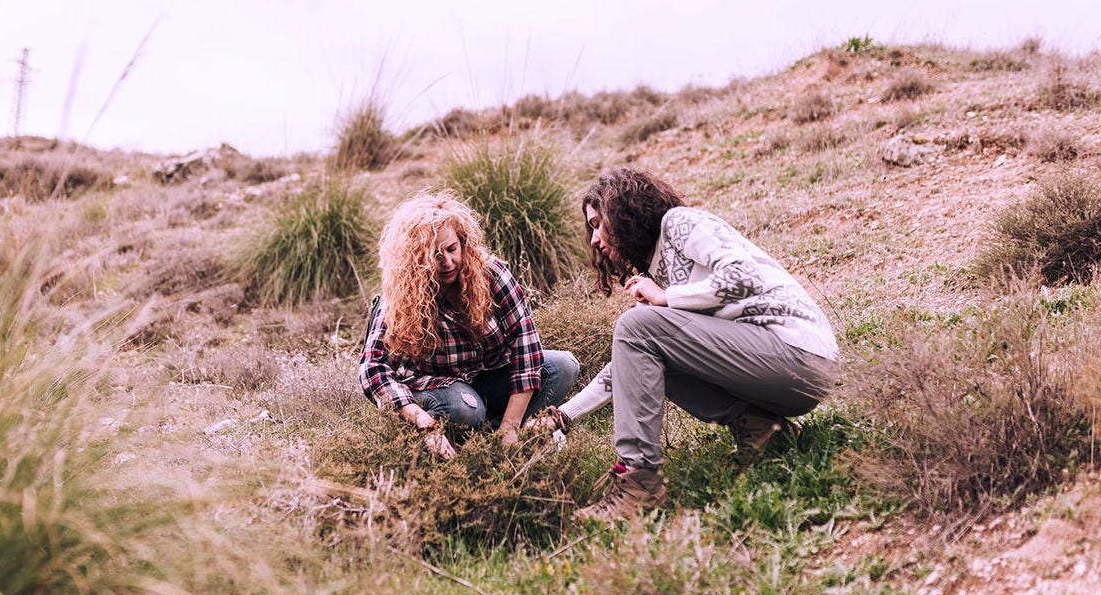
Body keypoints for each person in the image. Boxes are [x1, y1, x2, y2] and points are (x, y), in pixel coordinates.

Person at [563, 167, 840, 522]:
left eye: (598, 223)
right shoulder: (655, 273)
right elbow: (626, 368)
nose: (594, 239)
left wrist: (667, 297)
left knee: (638, 326)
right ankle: (761, 430)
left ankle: (639, 484)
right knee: (643, 338)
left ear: (623, 212)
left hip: (799, 354)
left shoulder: (679, 223)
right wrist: (563, 416)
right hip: (775, 368)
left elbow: (744, 275)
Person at [358, 191, 580, 459]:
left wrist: (510, 428)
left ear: (463, 243)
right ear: (415, 258)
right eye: (434, 255)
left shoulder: (492, 275)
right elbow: (372, 366)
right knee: (467, 409)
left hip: (490, 376)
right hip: (438, 388)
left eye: (452, 249)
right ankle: (453, 437)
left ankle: (492, 439)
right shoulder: (401, 292)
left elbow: (526, 346)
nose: (447, 262)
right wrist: (420, 420)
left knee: (563, 368)